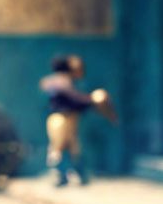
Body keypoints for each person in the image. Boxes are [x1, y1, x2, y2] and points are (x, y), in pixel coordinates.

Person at [39, 55, 116, 187]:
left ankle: (75, 174)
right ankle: (60, 174)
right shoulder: (60, 81)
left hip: (69, 119)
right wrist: (92, 99)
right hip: (61, 118)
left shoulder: (65, 81)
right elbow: (73, 98)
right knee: (58, 147)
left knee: (73, 148)